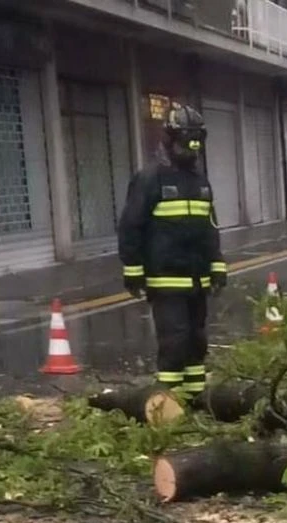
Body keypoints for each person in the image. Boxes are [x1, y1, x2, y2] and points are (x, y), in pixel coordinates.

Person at [118, 102, 226, 398]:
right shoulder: (150, 179)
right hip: (165, 279)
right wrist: (133, 270)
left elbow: (210, 229)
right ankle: (168, 402)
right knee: (174, 341)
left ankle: (194, 399)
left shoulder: (199, 181)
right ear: (169, 139)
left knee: (196, 341)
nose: (190, 151)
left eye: (195, 144)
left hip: (196, 281)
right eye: (185, 143)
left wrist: (217, 267)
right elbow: (130, 226)